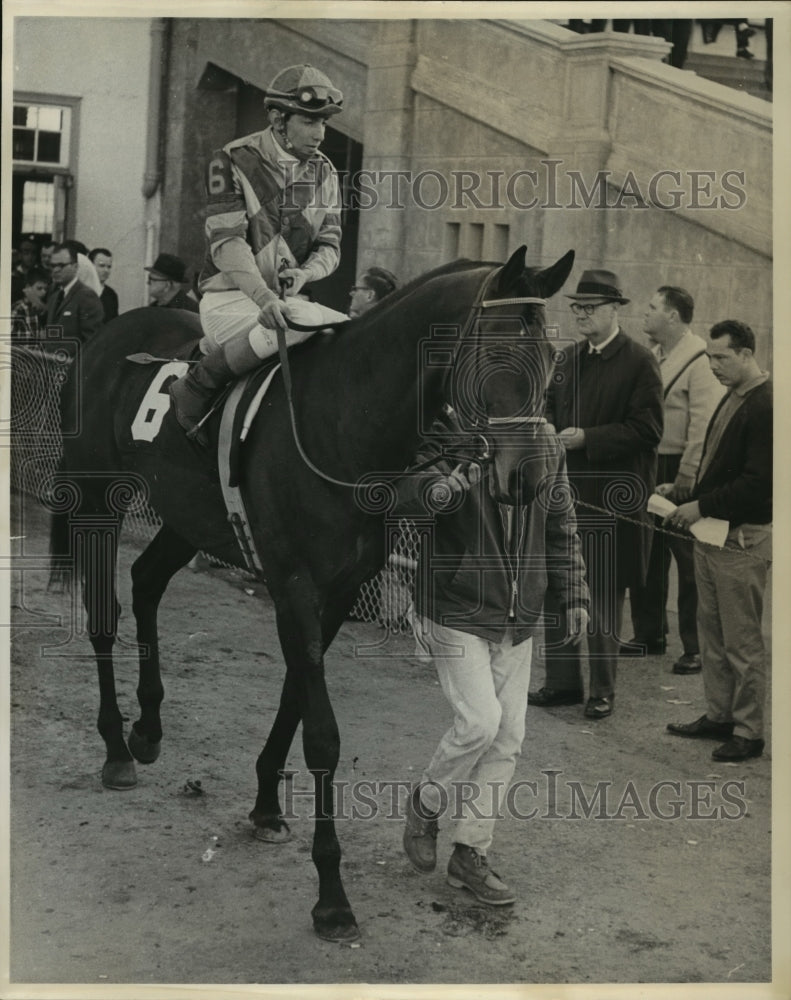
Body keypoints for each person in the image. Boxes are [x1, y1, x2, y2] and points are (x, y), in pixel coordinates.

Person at [400, 407, 590, 904]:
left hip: (519, 612)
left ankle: (469, 852)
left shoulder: (546, 441)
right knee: (480, 723)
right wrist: (445, 490)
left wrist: (572, 593)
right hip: (456, 606)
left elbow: (561, 522)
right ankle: (426, 803)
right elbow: (404, 497)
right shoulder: (446, 428)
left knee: (508, 737)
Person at [168, 63, 347, 440]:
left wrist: (306, 274)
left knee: (347, 332)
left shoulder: (326, 173)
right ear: (278, 119)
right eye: (310, 121)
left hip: (282, 303)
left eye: (324, 123)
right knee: (298, 321)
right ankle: (194, 388)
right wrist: (264, 297)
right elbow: (227, 245)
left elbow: (330, 246)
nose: (320, 134)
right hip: (229, 300)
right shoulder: (229, 160)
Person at [529, 269, 663, 719]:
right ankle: (562, 683)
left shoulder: (640, 361)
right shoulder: (567, 360)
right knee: (558, 588)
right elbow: (547, 406)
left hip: (610, 502)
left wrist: (587, 438)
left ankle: (601, 690)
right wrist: (547, 428)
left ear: (613, 310)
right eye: (577, 308)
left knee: (603, 594)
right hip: (564, 498)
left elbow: (648, 430)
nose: (582, 315)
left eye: (590, 308)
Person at [667, 321, 771, 762]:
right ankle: (720, 715)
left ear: (747, 354)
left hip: (740, 541)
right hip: (713, 537)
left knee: (742, 642)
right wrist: (683, 495)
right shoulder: (735, 396)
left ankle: (749, 732)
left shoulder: (767, 405)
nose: (713, 366)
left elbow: (758, 484)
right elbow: (718, 465)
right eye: (709, 357)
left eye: (722, 358)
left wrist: (701, 506)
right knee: (713, 635)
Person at [625, 287, 724, 673]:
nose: (645, 315)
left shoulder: (699, 359)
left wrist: (687, 476)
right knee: (646, 554)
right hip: (651, 464)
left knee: (687, 561)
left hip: (680, 469)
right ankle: (648, 635)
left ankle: (694, 647)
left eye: (652, 308)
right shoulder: (657, 355)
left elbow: (703, 423)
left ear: (673, 317)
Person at [44, 243, 104, 353]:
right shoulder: (54, 297)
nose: (56, 270)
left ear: (75, 267)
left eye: (61, 265)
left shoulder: (86, 296)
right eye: (53, 266)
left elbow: (92, 342)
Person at [11, 267, 50, 340]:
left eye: (46, 289)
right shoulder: (19, 309)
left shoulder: (41, 310)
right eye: (39, 288)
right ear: (28, 287)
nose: (43, 292)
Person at [89, 247, 119, 321]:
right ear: (90, 265)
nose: (106, 270)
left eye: (109, 267)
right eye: (101, 266)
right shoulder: (80, 291)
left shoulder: (111, 294)